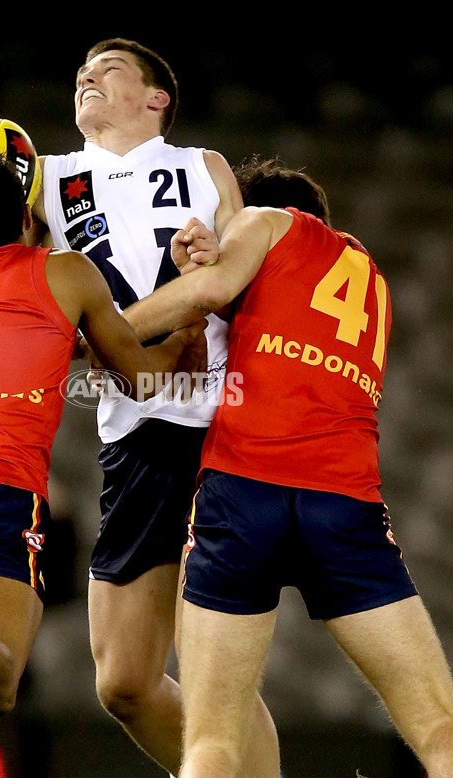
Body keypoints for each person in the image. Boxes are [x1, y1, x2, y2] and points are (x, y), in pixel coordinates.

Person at [0, 39, 279, 777]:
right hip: (132, 432)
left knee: (215, 669)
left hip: (217, 425)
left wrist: (214, 263)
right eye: (80, 69)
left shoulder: (202, 167)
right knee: (122, 683)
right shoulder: (46, 180)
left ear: (157, 101)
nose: (86, 75)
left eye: (109, 69)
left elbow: (256, 293)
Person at [122, 157, 453, 777]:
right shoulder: (374, 281)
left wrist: (91, 336)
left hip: (245, 495)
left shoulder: (266, 221)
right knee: (440, 728)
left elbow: (210, 291)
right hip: (345, 507)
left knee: (213, 743)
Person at [0, 151, 206, 778]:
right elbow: (138, 380)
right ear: (28, 213)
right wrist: (184, 336)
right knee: (0, 680)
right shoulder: (65, 274)